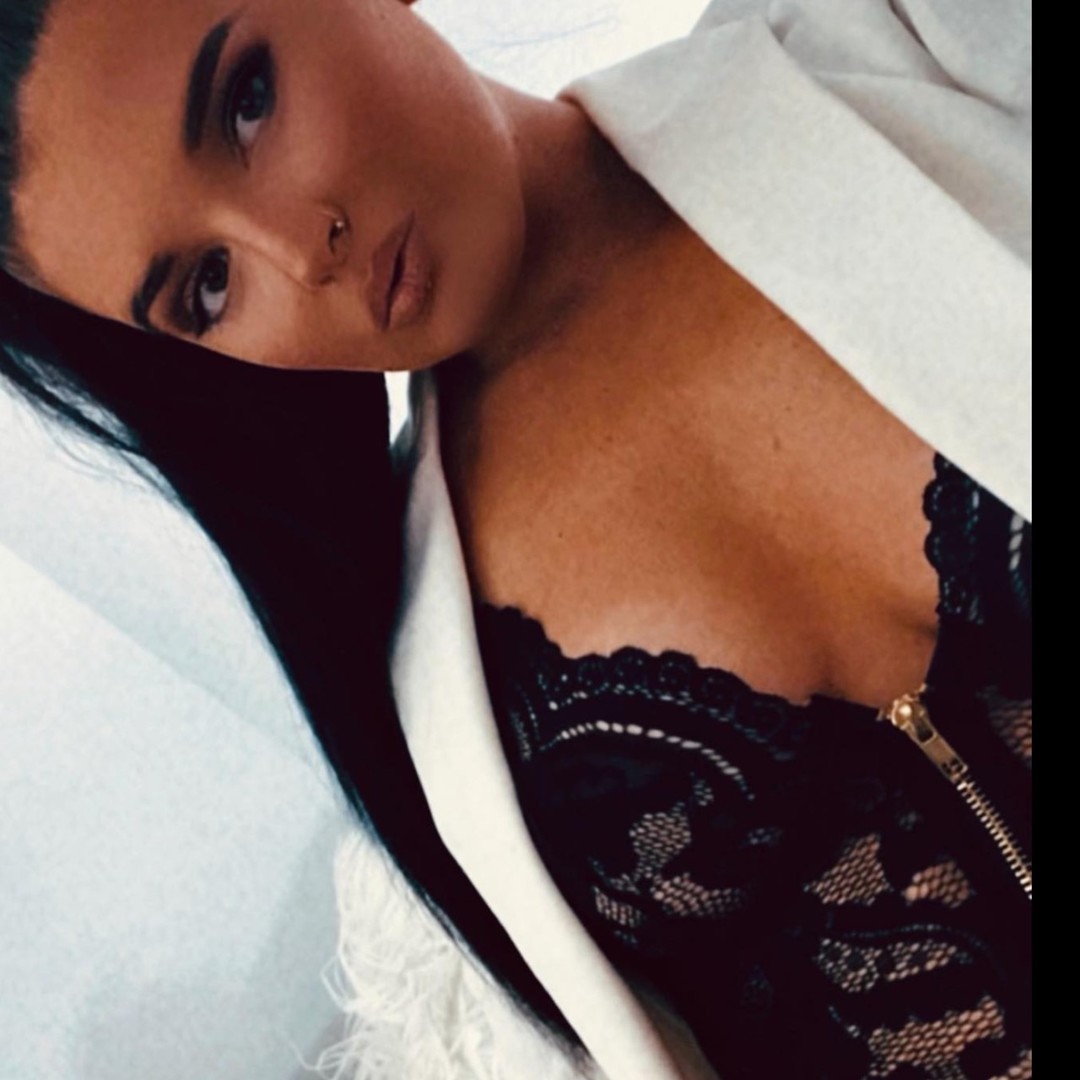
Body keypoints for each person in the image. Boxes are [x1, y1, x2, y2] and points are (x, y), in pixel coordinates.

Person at [1, 0, 1030, 1077]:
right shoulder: (439, 711)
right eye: (207, 286)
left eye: (248, 102)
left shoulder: (898, 43)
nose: (300, 254)